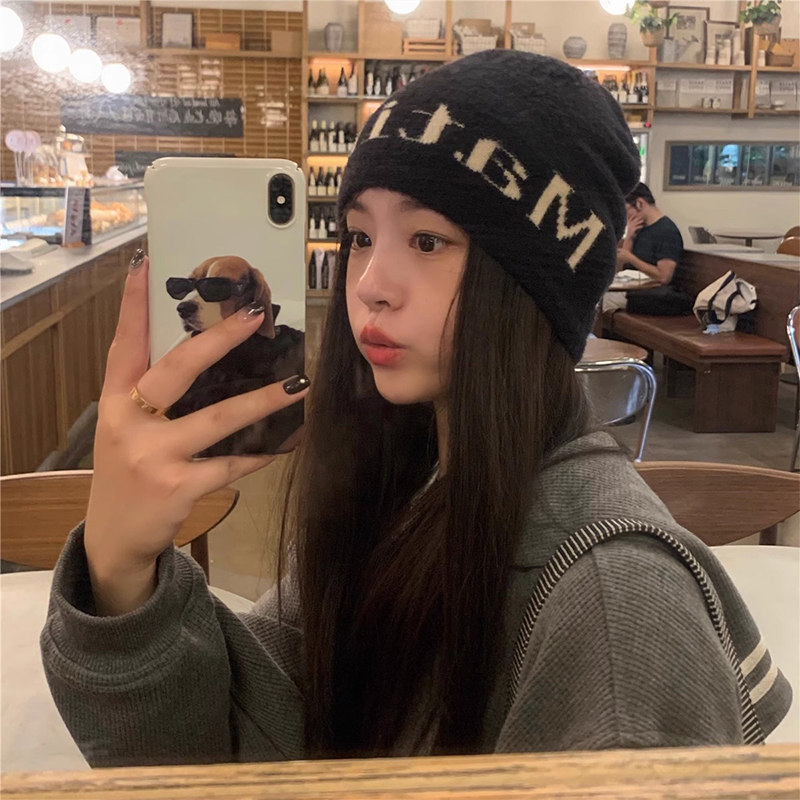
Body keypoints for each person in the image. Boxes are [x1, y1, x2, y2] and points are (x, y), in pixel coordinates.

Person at [41, 51, 790, 768]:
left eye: (429, 240)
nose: (368, 282)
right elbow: (264, 728)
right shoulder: (409, 473)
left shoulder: (617, 610)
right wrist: (120, 570)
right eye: (360, 236)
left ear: (536, 284)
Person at [602, 183, 691, 316]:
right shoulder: (639, 228)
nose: (626, 218)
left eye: (626, 211)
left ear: (640, 204)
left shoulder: (667, 231)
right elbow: (623, 267)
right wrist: (629, 237)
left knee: (601, 299)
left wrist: (631, 258)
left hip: (652, 294)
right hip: (634, 288)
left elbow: (664, 277)